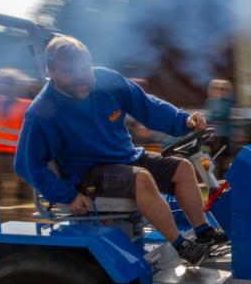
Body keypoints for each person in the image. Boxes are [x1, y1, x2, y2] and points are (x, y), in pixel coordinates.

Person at [14, 36, 219, 269]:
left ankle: (204, 233)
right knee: (141, 179)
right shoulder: (42, 112)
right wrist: (67, 196)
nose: (81, 77)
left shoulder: (108, 81)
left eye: (84, 68)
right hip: (88, 173)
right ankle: (182, 246)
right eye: (70, 72)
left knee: (182, 168)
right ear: (50, 72)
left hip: (127, 157)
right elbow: (26, 164)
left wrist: (183, 121)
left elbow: (147, 106)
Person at [0, 68, 34, 201]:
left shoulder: (27, 104)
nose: (6, 87)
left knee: (22, 187)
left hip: (18, 153)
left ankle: (22, 204)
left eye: (9, 84)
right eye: (3, 84)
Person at [204, 78, 234, 176]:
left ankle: (220, 178)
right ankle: (210, 176)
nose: (220, 91)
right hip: (212, 135)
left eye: (223, 89)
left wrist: (214, 117)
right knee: (208, 156)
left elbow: (222, 115)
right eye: (216, 88)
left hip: (223, 134)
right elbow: (210, 116)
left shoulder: (228, 102)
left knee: (222, 158)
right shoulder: (210, 101)